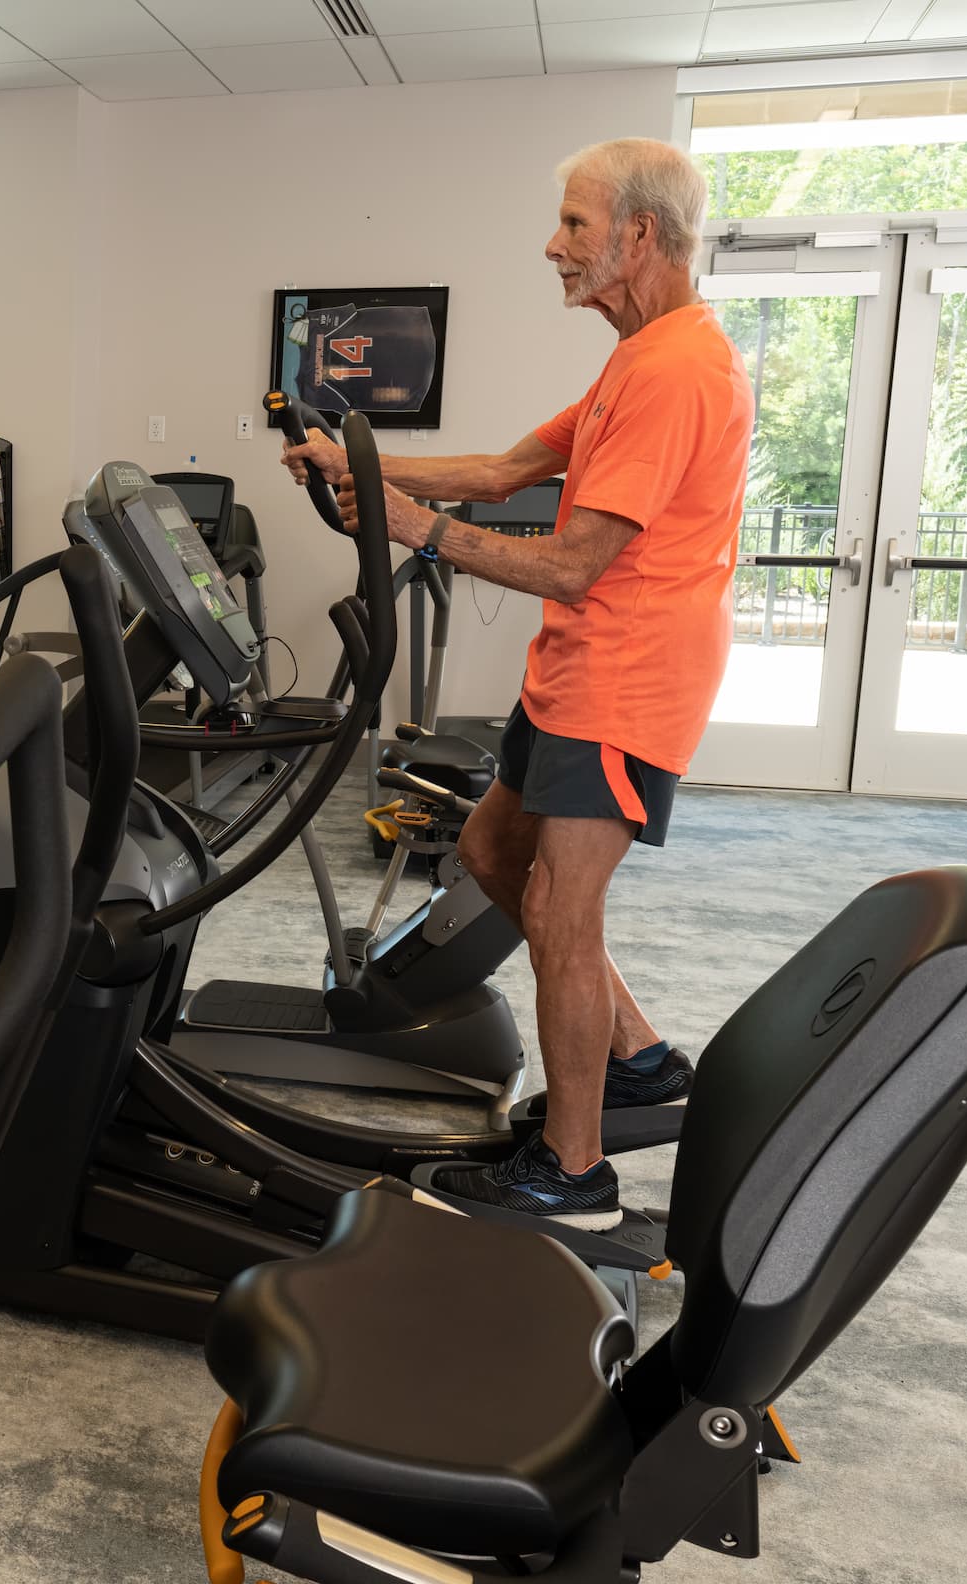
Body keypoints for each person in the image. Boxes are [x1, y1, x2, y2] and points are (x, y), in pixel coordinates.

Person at [280, 137, 753, 1229]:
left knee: (559, 904)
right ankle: (636, 1062)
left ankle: (574, 1174)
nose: (555, 244)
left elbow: (577, 560)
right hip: (578, 668)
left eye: (576, 225)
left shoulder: (680, 371)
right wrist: (357, 464)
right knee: (492, 853)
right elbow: (500, 470)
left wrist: (416, 530)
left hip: (629, 678)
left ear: (640, 235)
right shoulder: (638, 355)